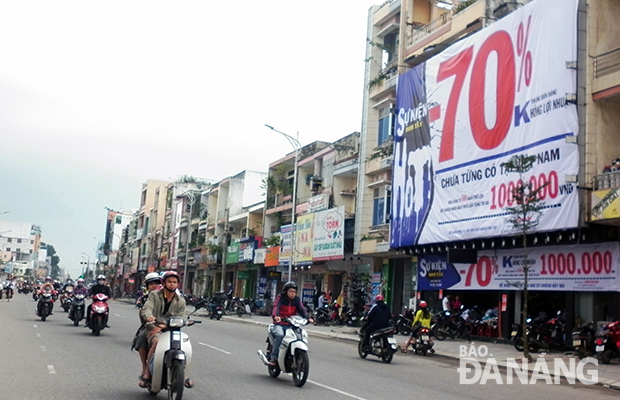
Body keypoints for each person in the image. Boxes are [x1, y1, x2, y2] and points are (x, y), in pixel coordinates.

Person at [141, 270, 194, 389]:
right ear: (164, 283)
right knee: (156, 342)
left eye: (174, 282)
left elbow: (181, 316)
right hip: (154, 326)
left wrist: (184, 321)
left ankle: (184, 375)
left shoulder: (181, 300)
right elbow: (147, 308)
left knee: (184, 345)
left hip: (172, 329)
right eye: (169, 281)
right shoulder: (154, 295)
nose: (172, 284)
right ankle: (147, 373)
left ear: (178, 284)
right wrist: (149, 316)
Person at [268, 281, 313, 366]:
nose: (292, 294)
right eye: (290, 292)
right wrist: (276, 316)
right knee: (280, 335)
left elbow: (302, 309)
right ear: (285, 291)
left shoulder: (296, 300)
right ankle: (274, 358)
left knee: (301, 335)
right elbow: (276, 307)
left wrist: (308, 318)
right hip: (280, 323)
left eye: (294, 292)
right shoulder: (280, 298)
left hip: (292, 324)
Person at [133, 272, 162, 388]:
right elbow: (144, 312)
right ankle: (145, 369)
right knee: (141, 338)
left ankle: (183, 374)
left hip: (170, 325)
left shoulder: (170, 295)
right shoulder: (145, 298)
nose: (155, 286)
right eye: (152, 284)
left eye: (157, 283)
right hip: (152, 325)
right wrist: (149, 320)